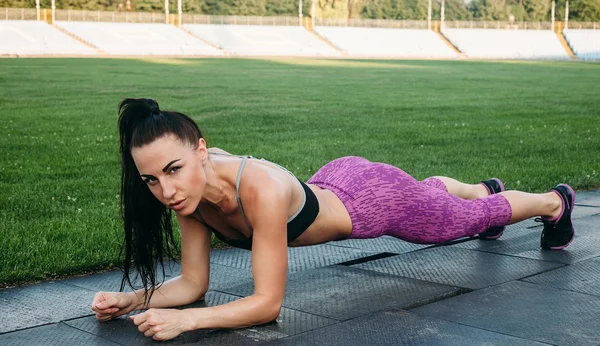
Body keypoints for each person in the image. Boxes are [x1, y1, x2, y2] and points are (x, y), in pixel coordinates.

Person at [91, 98, 576, 341]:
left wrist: (185, 324)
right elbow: (193, 283)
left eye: (172, 170)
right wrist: (132, 299)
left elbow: (266, 304)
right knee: (439, 202)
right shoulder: (191, 195)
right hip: (335, 181)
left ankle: (552, 202)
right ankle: (467, 190)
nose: (166, 190)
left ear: (200, 151)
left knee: (463, 221)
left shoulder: (253, 188)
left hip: (375, 201)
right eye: (151, 180)